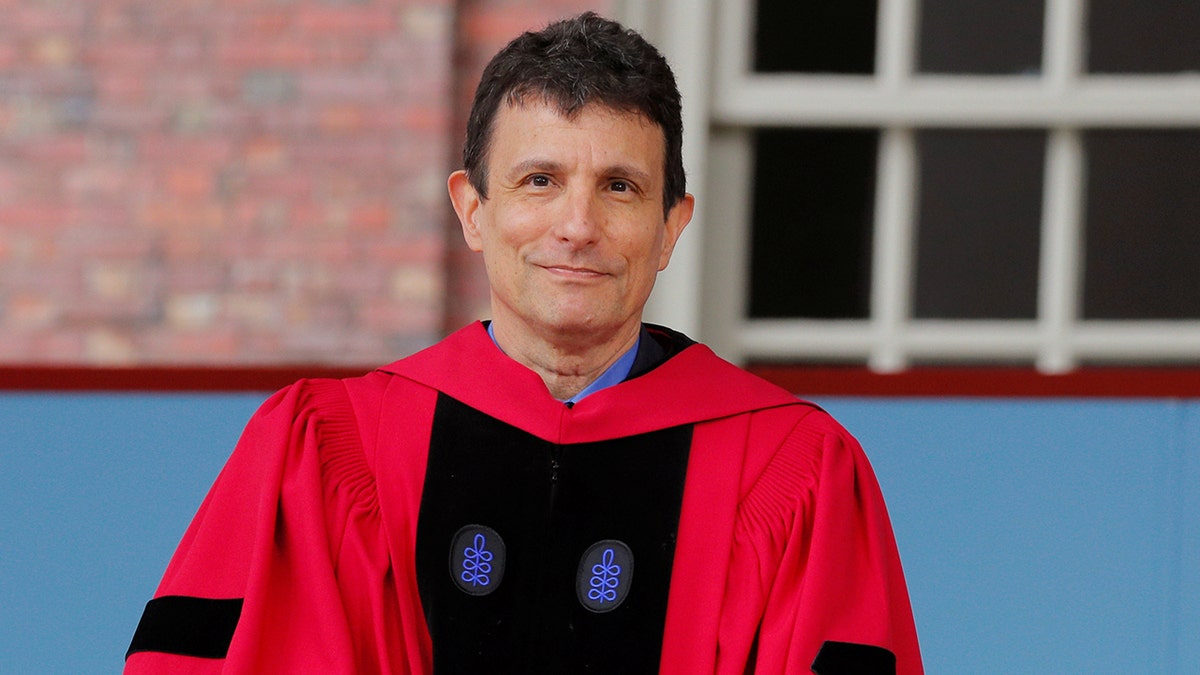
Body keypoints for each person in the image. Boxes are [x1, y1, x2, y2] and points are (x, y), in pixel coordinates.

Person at [124, 12, 922, 674]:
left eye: (620, 186)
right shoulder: (332, 452)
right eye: (539, 180)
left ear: (672, 225)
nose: (577, 227)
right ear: (472, 209)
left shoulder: (791, 470)